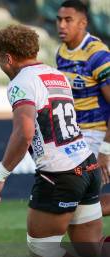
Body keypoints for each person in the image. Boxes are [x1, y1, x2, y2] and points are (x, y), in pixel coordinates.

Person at [0, 24, 110, 257]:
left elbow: (25, 131)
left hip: (60, 174)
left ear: (8, 58)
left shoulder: (21, 83)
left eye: (0, 60)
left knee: (41, 248)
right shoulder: (57, 75)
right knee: (87, 249)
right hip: (86, 164)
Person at [55, 0, 110, 214]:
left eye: (68, 20)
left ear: (83, 23)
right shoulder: (61, 53)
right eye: (59, 19)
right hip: (75, 136)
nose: (61, 25)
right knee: (78, 204)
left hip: (98, 136)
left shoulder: (98, 55)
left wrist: (105, 150)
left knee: (75, 203)